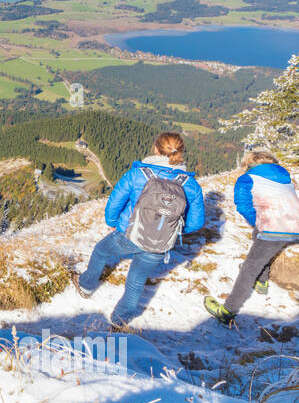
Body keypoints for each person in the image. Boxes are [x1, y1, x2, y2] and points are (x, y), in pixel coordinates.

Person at [73, 132, 205, 327]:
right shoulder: (190, 185)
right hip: (160, 243)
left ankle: (86, 286)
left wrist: (112, 222)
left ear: (155, 149)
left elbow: (115, 202)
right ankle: (120, 319)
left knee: (101, 251)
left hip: (128, 234)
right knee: (136, 280)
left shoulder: (138, 175)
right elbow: (195, 223)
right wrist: (172, 230)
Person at [204, 150, 299, 327]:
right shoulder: (284, 176)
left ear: (248, 164)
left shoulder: (247, 178)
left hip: (276, 227)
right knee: (262, 242)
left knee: (250, 267)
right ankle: (262, 282)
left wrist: (259, 222)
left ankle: (227, 311)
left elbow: (243, 206)